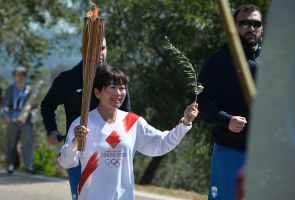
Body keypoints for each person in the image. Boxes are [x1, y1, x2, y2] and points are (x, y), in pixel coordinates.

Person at [58, 65, 199, 200]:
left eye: (122, 88)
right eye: (112, 87)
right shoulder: (83, 123)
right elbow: (65, 162)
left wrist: (185, 122)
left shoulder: (132, 122)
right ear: (97, 92)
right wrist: (75, 142)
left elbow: (161, 144)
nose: (118, 93)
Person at [40, 38, 131, 200]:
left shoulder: (115, 80)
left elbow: (126, 115)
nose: (99, 53)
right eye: (94, 49)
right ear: (83, 50)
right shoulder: (67, 79)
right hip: (78, 154)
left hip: (108, 154)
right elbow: (47, 105)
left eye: (102, 48)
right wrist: (51, 128)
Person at [196, 4, 263, 200]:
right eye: (244, 23)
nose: (251, 28)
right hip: (230, 153)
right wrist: (225, 120)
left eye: (256, 23)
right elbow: (200, 100)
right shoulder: (219, 60)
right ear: (233, 27)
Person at [1, 66, 35, 174]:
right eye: (18, 74)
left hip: (26, 120)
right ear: (14, 76)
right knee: (11, 143)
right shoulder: (9, 90)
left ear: (25, 76)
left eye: (22, 74)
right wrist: (5, 116)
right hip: (12, 119)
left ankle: (28, 166)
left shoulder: (30, 90)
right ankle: (10, 165)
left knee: (27, 143)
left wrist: (33, 110)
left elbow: (34, 106)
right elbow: (4, 105)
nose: (20, 77)